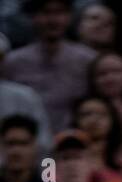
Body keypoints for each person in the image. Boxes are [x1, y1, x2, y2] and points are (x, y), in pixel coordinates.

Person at [1, 0, 95, 133]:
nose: (53, 20)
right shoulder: (13, 62)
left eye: (59, 12)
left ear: (69, 17)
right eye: (46, 13)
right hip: (29, 144)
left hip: (74, 144)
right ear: (33, 16)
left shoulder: (87, 60)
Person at [88, 52, 122, 130]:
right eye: (102, 74)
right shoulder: (86, 110)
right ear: (93, 79)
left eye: (116, 71)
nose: (110, 78)